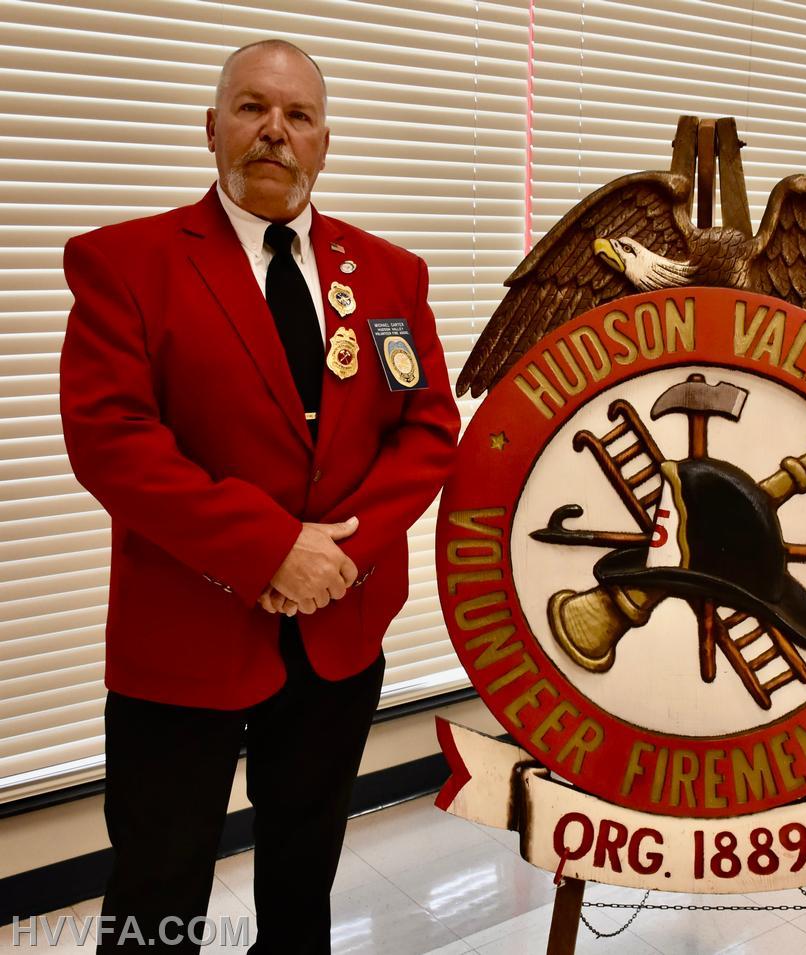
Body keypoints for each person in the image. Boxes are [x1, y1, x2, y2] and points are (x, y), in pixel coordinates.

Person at [59, 39, 460, 953]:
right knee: (159, 879)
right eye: (251, 108)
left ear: (325, 143)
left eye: (298, 115)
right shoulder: (126, 262)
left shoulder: (391, 274)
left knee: (304, 860)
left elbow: (430, 430)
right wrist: (270, 547)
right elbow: (113, 443)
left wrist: (339, 556)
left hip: (339, 628)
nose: (274, 131)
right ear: (212, 128)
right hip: (186, 631)